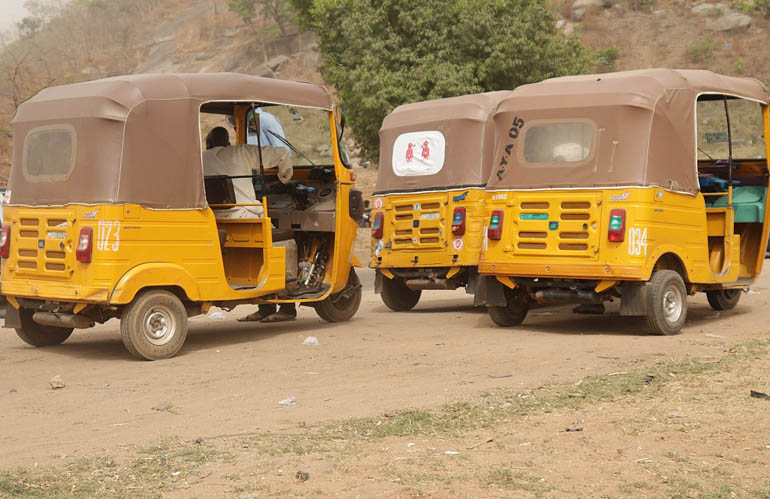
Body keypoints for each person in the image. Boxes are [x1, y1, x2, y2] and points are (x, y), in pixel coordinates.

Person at [203, 127, 293, 219]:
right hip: (245, 216)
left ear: (208, 145)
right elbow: (283, 153)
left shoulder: (199, 159)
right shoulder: (242, 151)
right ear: (229, 144)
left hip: (211, 218)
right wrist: (282, 180)